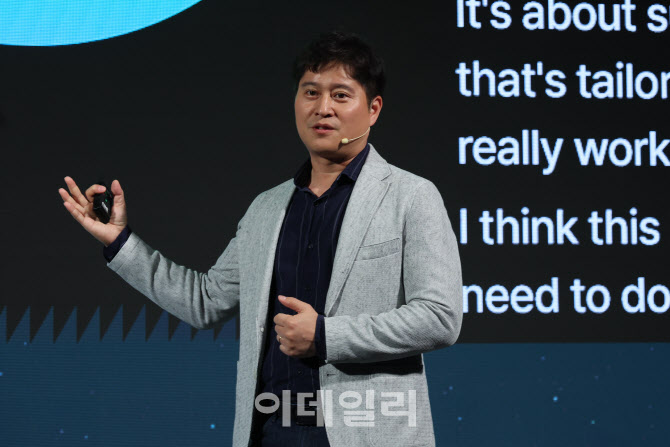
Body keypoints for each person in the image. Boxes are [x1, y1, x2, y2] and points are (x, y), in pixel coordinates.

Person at [59, 31, 463, 447]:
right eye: (311, 92)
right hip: (272, 432)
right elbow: (205, 301)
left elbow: (440, 318)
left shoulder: (411, 196)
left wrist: (325, 336)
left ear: (373, 108)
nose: (322, 108)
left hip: (369, 434)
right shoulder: (266, 208)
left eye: (341, 95)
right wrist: (121, 241)